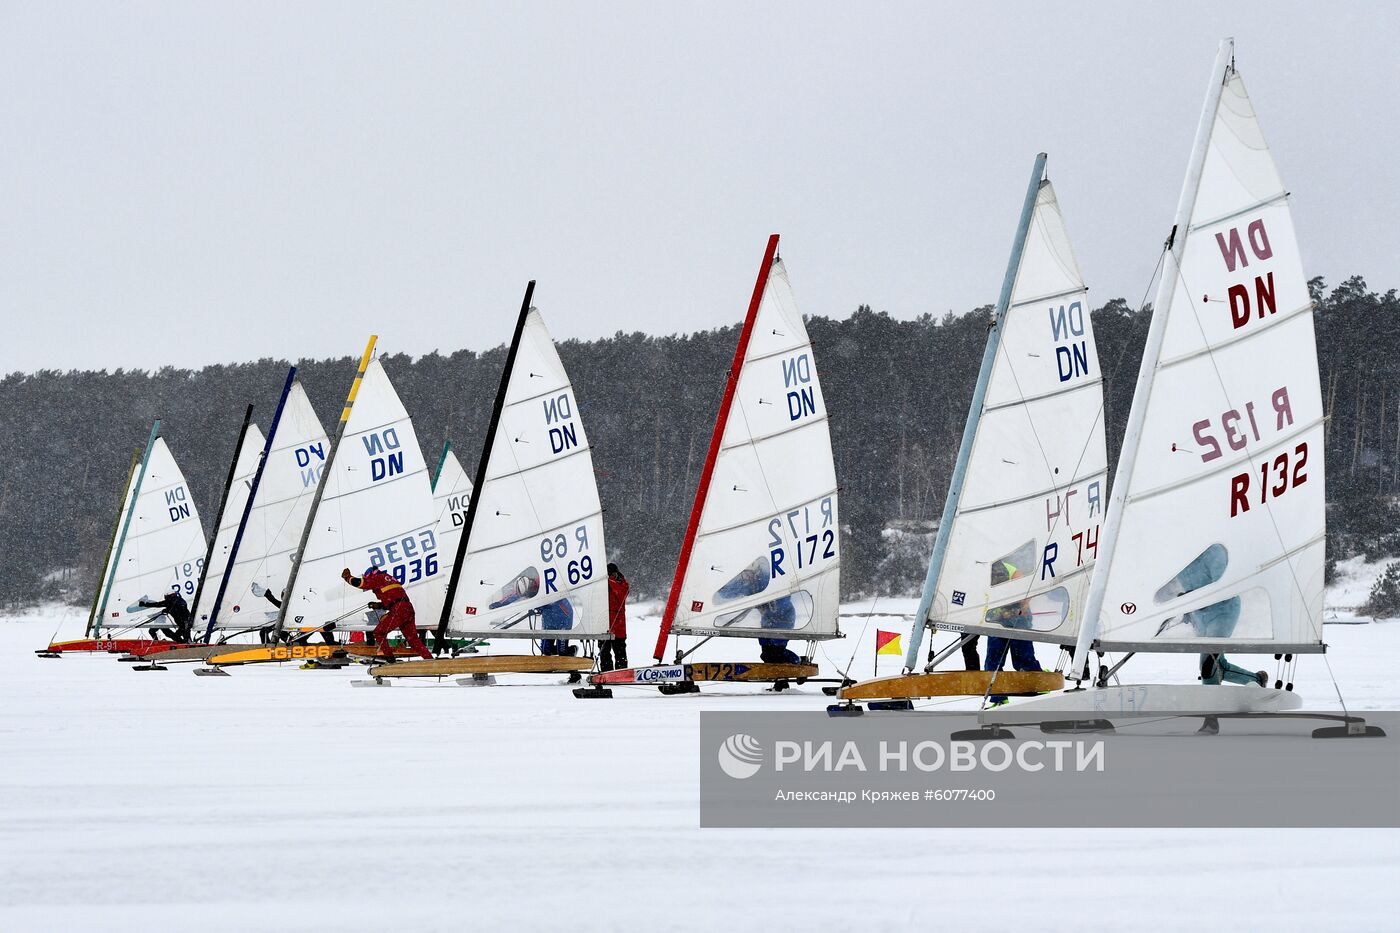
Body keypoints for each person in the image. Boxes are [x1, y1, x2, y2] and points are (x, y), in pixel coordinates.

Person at [341, 565, 430, 661]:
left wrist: (348, 577)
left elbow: (361, 583)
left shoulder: (377, 578)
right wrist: (378, 605)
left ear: (370, 575)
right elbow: (393, 599)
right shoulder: (388, 578)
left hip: (398, 610)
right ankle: (429, 660)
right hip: (407, 609)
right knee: (413, 640)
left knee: (379, 632)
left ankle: (390, 659)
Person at [983, 600, 1042, 705]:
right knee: (992, 663)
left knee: (1023, 660)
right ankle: (999, 699)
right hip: (996, 621)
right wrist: (1001, 612)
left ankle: (1040, 685)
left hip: (1020, 619)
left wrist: (1017, 609)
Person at [599, 563, 629, 672]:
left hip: (613, 625)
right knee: (608, 653)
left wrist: (608, 581)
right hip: (607, 625)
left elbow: (620, 594)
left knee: (614, 652)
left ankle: (617, 672)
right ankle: (611, 672)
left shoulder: (621, 583)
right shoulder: (621, 583)